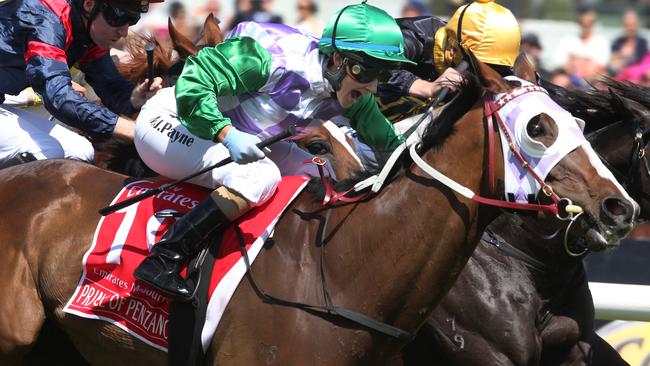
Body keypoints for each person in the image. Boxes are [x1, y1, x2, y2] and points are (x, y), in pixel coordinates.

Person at [133, 2, 415, 300]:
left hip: (236, 135)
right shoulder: (268, 57)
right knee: (260, 175)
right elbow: (193, 82)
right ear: (338, 60)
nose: (372, 86)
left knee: (323, 170)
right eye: (367, 71)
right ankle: (165, 256)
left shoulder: (352, 91)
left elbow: (390, 145)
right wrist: (225, 133)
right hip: (172, 123)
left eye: (382, 75)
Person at [0, 0, 163, 168]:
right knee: (48, 151)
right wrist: (132, 130)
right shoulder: (45, 19)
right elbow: (58, 97)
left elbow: (110, 85)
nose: (124, 32)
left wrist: (134, 97)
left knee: (81, 151)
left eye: (132, 20)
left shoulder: (85, 31)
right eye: (120, 18)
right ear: (89, 4)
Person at [377, 0, 521, 121]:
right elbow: (372, 61)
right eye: (479, 67)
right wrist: (427, 88)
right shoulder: (417, 37)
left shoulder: (497, 63)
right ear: (452, 50)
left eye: (496, 68)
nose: (486, 74)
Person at [609, 9, 648, 75]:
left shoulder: (643, 42)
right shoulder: (618, 41)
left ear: (637, 24)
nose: (630, 28)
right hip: (619, 76)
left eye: (633, 24)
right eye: (627, 25)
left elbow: (641, 60)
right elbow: (613, 59)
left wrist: (623, 62)